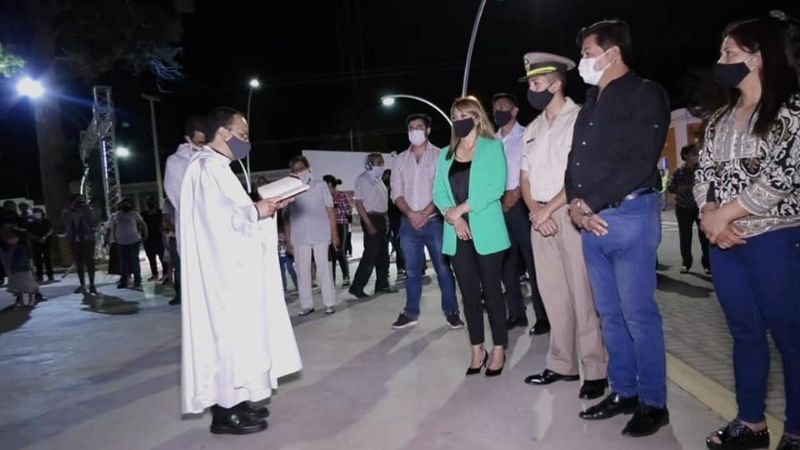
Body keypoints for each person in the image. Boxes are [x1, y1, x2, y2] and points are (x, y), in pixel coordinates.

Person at [695, 16, 800, 450]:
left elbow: (784, 175)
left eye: (730, 53)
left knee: (790, 336)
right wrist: (708, 214)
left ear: (758, 58)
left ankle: (795, 431)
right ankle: (751, 423)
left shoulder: (790, 112)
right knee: (744, 332)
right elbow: (703, 172)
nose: (722, 61)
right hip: (727, 245)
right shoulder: (720, 119)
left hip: (775, 239)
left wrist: (726, 215)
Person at [566, 20, 671, 437]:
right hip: (590, 222)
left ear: (613, 53)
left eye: (588, 53)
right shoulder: (591, 103)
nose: (583, 63)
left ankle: (653, 402)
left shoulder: (646, 94)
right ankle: (624, 390)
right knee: (609, 315)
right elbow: (576, 161)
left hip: (629, 217)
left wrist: (590, 202)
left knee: (638, 315)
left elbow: (640, 160)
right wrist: (576, 204)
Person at [180, 106, 301, 435]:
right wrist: (258, 211)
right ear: (223, 133)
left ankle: (240, 400)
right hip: (222, 276)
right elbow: (217, 224)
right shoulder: (206, 169)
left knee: (243, 337)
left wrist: (265, 208)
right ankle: (224, 412)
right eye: (243, 135)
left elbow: (233, 213)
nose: (247, 142)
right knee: (227, 339)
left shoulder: (219, 168)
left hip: (234, 272)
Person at [517, 52, 609, 400]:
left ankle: (595, 369)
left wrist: (549, 210)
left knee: (582, 294)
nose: (533, 90)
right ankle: (561, 363)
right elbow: (524, 177)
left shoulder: (581, 119)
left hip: (570, 213)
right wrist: (535, 210)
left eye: (537, 83)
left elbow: (579, 174)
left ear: (556, 83)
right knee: (553, 294)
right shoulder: (535, 127)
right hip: (538, 216)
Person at [433, 96, 509, 376]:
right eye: (454, 115)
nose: (458, 119)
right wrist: (452, 217)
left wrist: (460, 211)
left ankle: (499, 347)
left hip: (487, 230)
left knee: (492, 293)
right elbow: (438, 192)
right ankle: (477, 348)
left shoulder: (492, 147)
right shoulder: (445, 154)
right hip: (457, 233)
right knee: (468, 295)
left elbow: (495, 187)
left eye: (463, 114)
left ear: (477, 118)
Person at [390, 113, 463, 330]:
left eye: (419, 127)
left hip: (435, 223)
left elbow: (443, 189)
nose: (415, 131)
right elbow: (396, 192)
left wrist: (425, 213)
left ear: (428, 130)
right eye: (411, 127)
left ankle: (451, 312)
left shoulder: (441, 155)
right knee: (412, 271)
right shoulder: (400, 159)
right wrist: (412, 214)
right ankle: (411, 312)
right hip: (408, 224)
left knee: (443, 268)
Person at [491, 92, 549, 334]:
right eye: (494, 108)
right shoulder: (491, 141)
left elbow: (534, 168)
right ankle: (516, 313)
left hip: (523, 204)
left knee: (534, 262)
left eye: (503, 107)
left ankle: (543, 315)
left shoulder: (527, 134)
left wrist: (514, 194)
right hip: (498, 206)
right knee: (507, 263)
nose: (498, 112)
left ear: (514, 111)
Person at [283, 156, 339, 316]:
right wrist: (288, 239)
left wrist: (334, 233)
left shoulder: (320, 186)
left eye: (301, 168)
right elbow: (286, 217)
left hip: (320, 232)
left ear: (308, 168)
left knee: (323, 269)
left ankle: (329, 303)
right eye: (295, 170)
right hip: (299, 235)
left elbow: (330, 210)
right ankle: (306, 305)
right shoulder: (290, 190)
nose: (299, 172)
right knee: (302, 270)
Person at [164, 116, 207, 305]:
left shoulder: (212, 158)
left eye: (205, 142)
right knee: (198, 289)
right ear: (188, 139)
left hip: (216, 231)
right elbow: (182, 200)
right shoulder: (176, 163)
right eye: (198, 142)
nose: (202, 146)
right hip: (193, 231)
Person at [348, 153, 396, 298]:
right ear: (369, 164)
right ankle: (357, 286)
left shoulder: (379, 180)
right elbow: (359, 203)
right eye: (377, 162)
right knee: (370, 254)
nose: (380, 165)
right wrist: (368, 223)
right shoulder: (363, 179)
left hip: (382, 218)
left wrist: (386, 220)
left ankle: (382, 284)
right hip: (371, 218)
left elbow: (383, 204)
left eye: (381, 162)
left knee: (383, 254)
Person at [667, 144, 710, 274]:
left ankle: (707, 264)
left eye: (697, 153)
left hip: (700, 207)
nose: (696, 156)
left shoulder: (702, 170)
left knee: (704, 237)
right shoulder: (678, 172)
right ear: (686, 156)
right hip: (683, 208)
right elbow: (671, 188)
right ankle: (686, 263)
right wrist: (683, 188)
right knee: (685, 237)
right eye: (693, 153)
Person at [0, 216, 42, 308]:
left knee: (26, 279)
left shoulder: (20, 232)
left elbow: (24, 242)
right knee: (15, 280)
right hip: (11, 260)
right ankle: (20, 299)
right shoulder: (4, 233)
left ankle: (34, 296)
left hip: (21, 258)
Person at [63, 194, 97, 295]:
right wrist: (72, 209)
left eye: (81, 200)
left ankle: (92, 284)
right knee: (79, 264)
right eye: (77, 201)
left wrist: (86, 209)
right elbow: (66, 220)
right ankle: (82, 285)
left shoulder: (87, 210)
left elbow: (92, 221)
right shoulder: (67, 212)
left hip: (88, 239)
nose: (80, 203)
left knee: (90, 263)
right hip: (75, 240)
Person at [323, 175, 352, 287]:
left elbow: (348, 210)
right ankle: (332, 279)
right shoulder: (324, 196)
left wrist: (337, 208)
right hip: (328, 226)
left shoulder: (341, 195)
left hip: (340, 224)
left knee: (340, 251)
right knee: (330, 253)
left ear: (330, 184)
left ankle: (346, 277)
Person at [112, 198, 147, 289]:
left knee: (134, 261)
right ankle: (124, 281)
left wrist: (145, 234)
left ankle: (137, 280)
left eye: (127, 204)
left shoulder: (134, 214)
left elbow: (143, 224)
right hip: (121, 242)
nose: (125, 206)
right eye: (124, 204)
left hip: (134, 241)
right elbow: (114, 226)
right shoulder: (118, 215)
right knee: (123, 262)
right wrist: (115, 236)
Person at [382, 169, 405, 279]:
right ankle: (385, 270)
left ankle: (400, 268)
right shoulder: (382, 189)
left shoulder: (396, 189)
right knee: (385, 246)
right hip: (387, 219)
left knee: (398, 245)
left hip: (396, 219)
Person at [141, 197, 167, 281]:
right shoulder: (143, 214)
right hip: (148, 238)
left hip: (159, 237)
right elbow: (140, 225)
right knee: (151, 258)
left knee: (162, 257)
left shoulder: (160, 213)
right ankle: (154, 274)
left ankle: (165, 274)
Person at [28, 208, 55, 283]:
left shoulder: (46, 221)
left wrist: (44, 237)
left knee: (48, 259)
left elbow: (50, 230)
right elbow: (29, 233)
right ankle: (40, 276)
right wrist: (37, 238)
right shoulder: (31, 223)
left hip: (46, 242)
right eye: (35, 213)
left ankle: (50, 275)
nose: (37, 214)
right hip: (36, 243)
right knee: (38, 259)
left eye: (38, 212)